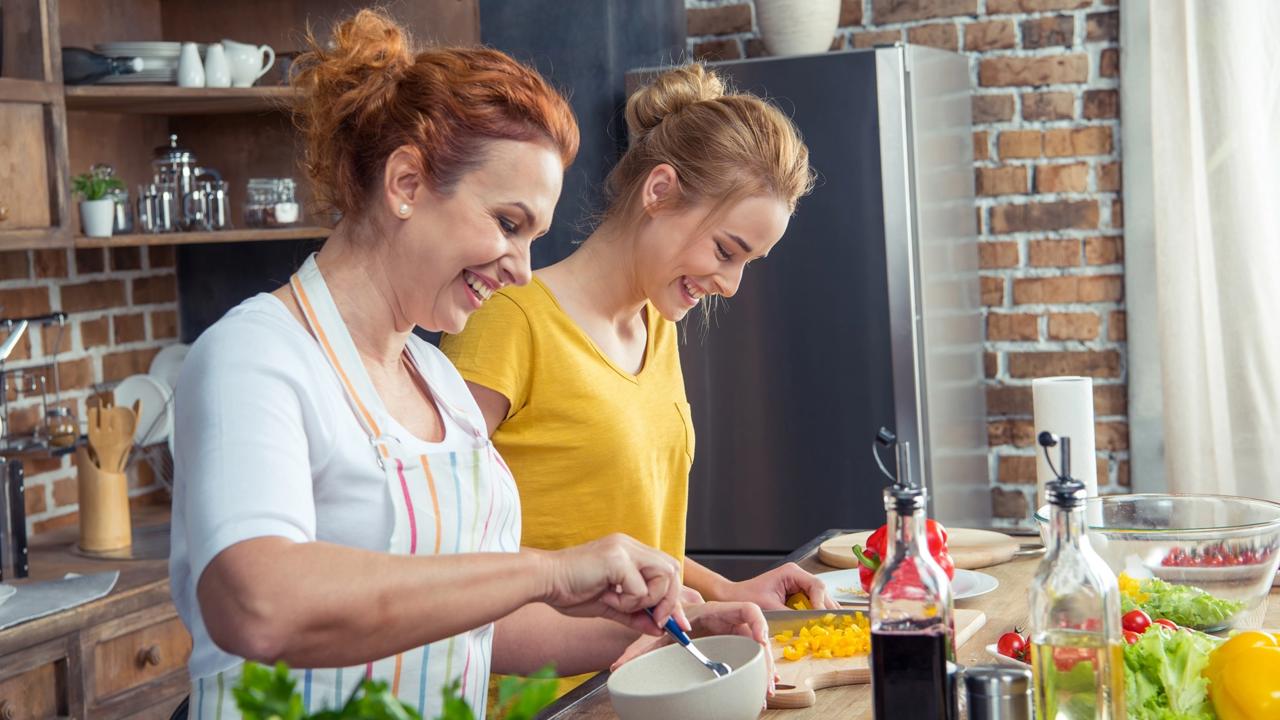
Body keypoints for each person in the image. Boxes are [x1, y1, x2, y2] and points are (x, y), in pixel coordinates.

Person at [168, 12, 767, 718]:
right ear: (407, 184)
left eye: (534, 236)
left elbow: (481, 625)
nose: (521, 271)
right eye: (508, 224)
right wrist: (544, 570)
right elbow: (258, 605)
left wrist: (670, 628)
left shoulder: (439, 384)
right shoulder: (255, 358)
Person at [440, 64, 830, 615]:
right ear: (660, 191)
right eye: (726, 251)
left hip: (646, 677)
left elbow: (623, 540)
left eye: (749, 262)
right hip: (543, 693)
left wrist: (726, 591)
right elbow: (437, 544)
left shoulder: (658, 326)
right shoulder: (509, 319)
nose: (732, 285)